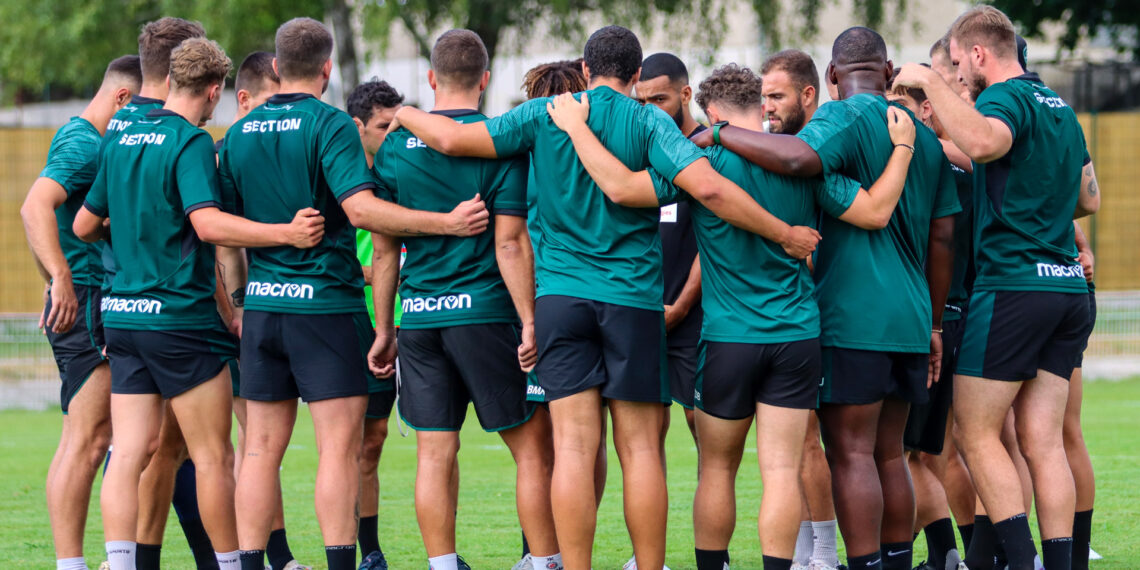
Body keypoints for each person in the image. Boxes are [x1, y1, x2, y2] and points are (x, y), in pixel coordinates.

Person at [389, 25, 820, 570]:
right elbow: (710, 188)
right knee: (640, 449)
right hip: (632, 303)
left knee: (571, 447)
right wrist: (783, 233)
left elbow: (452, 139)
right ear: (637, 75)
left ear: (586, 70)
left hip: (561, 301)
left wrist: (403, 113)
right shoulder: (649, 121)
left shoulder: (544, 113)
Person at [546, 59, 918, 570]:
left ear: (712, 114)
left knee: (717, 469)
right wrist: (903, 150)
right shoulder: (803, 165)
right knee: (781, 471)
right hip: (795, 335)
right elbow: (875, 211)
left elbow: (626, 189)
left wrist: (578, 131)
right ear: (759, 106)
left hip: (727, 338)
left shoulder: (701, 163)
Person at [220, 18, 490, 570]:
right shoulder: (332, 124)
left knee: (258, 450)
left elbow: (224, 232)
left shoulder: (239, 134)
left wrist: (242, 298)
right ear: (326, 68)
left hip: (264, 310)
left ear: (277, 67)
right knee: (338, 450)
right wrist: (446, 222)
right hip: (324, 307)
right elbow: (362, 212)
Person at [698, 27, 960, 570]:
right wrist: (935, 325)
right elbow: (943, 238)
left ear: (833, 75)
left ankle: (863, 563)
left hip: (852, 316)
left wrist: (719, 133)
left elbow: (797, 159)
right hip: (912, 319)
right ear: (889, 72)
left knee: (852, 453)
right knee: (892, 454)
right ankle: (896, 562)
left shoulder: (838, 117)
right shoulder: (924, 137)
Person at [73, 37, 326, 570]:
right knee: (213, 456)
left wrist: (131, 227)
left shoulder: (120, 134)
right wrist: (285, 232)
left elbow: (83, 225)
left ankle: (120, 563)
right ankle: (231, 565)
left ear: (169, 80)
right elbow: (208, 225)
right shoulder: (190, 141)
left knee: (129, 452)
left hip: (123, 317)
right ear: (214, 92)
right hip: (178, 320)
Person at [894, 6, 1100, 569]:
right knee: (1042, 441)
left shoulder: (1003, 98)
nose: (959, 76)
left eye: (959, 65)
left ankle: (1021, 561)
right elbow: (1089, 199)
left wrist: (929, 81)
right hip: (1066, 289)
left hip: (1013, 287)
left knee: (976, 432)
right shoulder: (1059, 105)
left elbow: (985, 142)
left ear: (979, 53)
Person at [370, 30, 559, 570]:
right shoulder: (499, 141)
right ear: (485, 79)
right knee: (531, 449)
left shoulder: (394, 147)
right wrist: (529, 320)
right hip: (485, 314)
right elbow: (510, 242)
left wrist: (384, 329)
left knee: (434, 453)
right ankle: (545, 562)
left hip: (419, 319)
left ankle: (442, 565)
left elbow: (384, 250)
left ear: (431, 79)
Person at [20, 54, 140, 570]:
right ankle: (71, 564)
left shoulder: (81, 136)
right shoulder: (85, 143)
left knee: (95, 437)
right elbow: (34, 206)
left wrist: (54, 280)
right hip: (88, 301)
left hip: (88, 298)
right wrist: (61, 279)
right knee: (88, 440)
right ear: (122, 98)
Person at [757, 49, 841, 570]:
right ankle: (811, 551)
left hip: (826, 314)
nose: (766, 107)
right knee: (803, 441)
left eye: (776, 96)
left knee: (822, 443)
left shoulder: (819, 147)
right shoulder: (781, 150)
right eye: (763, 96)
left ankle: (826, 554)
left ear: (809, 94)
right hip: (804, 315)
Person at [887, 67, 972, 570]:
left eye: (901, 104)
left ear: (926, 109)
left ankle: (951, 553)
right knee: (924, 451)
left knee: (899, 451)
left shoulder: (926, 166)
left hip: (931, 321)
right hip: (956, 315)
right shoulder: (965, 166)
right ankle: (952, 553)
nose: (891, 115)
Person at [346, 78, 407, 570]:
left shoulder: (409, 167)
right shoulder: (340, 179)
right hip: (361, 323)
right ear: (358, 127)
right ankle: (367, 551)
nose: (393, 135)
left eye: (398, 125)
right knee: (363, 442)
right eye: (384, 127)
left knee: (434, 438)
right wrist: (369, 273)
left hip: (418, 319)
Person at [635, 52, 703, 450]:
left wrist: (679, 307)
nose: (650, 111)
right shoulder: (637, 151)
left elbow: (715, 243)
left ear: (686, 94)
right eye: (641, 101)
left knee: (702, 427)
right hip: (641, 313)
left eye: (659, 99)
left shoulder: (708, 149)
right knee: (646, 433)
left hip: (694, 316)